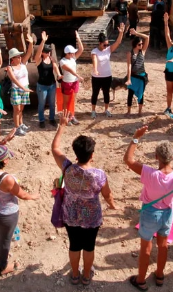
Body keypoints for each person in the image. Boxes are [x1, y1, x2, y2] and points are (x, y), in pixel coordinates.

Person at [51, 115, 116, 286]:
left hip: (70, 214)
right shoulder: (99, 175)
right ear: (92, 155)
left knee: (74, 245)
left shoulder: (67, 168)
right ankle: (86, 276)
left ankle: (74, 274)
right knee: (89, 247)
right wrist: (112, 205)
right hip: (91, 217)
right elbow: (107, 195)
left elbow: (55, 148)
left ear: (76, 153)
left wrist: (62, 126)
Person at [123, 126, 173, 291]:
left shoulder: (150, 174)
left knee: (146, 247)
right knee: (163, 245)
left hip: (150, 213)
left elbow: (128, 160)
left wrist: (135, 137)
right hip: (168, 213)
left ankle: (141, 279)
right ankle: (159, 275)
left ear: (156, 156)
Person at [0, 145, 40, 275]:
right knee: (6, 240)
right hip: (7, 213)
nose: (8, 160)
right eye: (7, 158)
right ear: (3, 161)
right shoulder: (6, 178)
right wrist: (33, 196)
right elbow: (22, 195)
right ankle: (3, 267)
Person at [91, 24, 125, 118]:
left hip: (107, 76)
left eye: (107, 44)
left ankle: (106, 110)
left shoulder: (108, 50)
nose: (106, 46)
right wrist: (95, 69)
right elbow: (94, 60)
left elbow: (118, 42)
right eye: (104, 44)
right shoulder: (94, 51)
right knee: (95, 93)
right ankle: (93, 111)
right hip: (97, 77)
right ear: (99, 43)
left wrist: (121, 33)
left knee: (106, 93)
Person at [6, 35, 34, 136]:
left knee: (21, 109)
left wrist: (31, 43)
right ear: (12, 59)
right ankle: (17, 127)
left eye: (19, 56)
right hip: (16, 90)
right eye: (17, 56)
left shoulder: (23, 63)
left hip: (25, 88)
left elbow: (29, 53)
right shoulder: (10, 68)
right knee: (16, 109)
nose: (20, 57)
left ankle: (21, 124)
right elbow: (13, 79)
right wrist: (23, 88)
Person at [34, 31, 61, 129]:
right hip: (42, 85)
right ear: (43, 53)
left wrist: (58, 75)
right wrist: (42, 42)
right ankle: (41, 120)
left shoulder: (51, 59)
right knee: (41, 103)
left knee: (52, 103)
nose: (49, 53)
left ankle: (52, 118)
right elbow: (37, 54)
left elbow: (55, 67)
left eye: (49, 51)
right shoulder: (39, 60)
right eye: (47, 51)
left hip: (52, 84)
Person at [59, 32, 84, 125]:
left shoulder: (72, 58)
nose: (74, 53)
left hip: (74, 82)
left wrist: (78, 38)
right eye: (72, 52)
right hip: (67, 83)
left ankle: (72, 116)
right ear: (68, 53)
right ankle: (66, 117)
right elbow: (69, 70)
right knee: (66, 101)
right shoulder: (62, 61)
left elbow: (81, 49)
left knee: (73, 100)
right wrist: (78, 76)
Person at [126, 29, 150, 116]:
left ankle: (140, 111)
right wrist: (128, 78)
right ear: (135, 45)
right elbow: (129, 66)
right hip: (133, 77)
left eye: (141, 44)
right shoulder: (129, 53)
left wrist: (136, 33)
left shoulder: (142, 52)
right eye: (139, 44)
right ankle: (129, 111)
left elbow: (147, 38)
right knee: (130, 94)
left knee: (141, 94)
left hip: (141, 77)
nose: (141, 45)